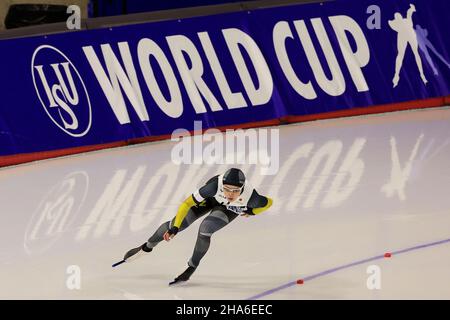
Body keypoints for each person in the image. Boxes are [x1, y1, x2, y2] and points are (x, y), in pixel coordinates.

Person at [118, 168, 273, 285]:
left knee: (205, 229)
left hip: (227, 208)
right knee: (176, 223)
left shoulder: (251, 197)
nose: (230, 193)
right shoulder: (212, 187)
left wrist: (252, 212)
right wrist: (175, 228)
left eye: (235, 191)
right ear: (222, 185)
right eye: (227, 189)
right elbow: (187, 203)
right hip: (211, 199)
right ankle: (146, 247)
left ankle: (191, 267)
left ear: (242, 189)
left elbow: (268, 203)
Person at [388, 4, 427, 87]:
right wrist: (411, 10)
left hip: (410, 35)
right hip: (402, 36)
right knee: (400, 55)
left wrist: (411, 9)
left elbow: (409, 13)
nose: (398, 17)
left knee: (416, 53)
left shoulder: (406, 20)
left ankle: (422, 74)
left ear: (401, 17)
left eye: (399, 16)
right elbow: (391, 23)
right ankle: (396, 75)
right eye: (396, 17)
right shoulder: (395, 24)